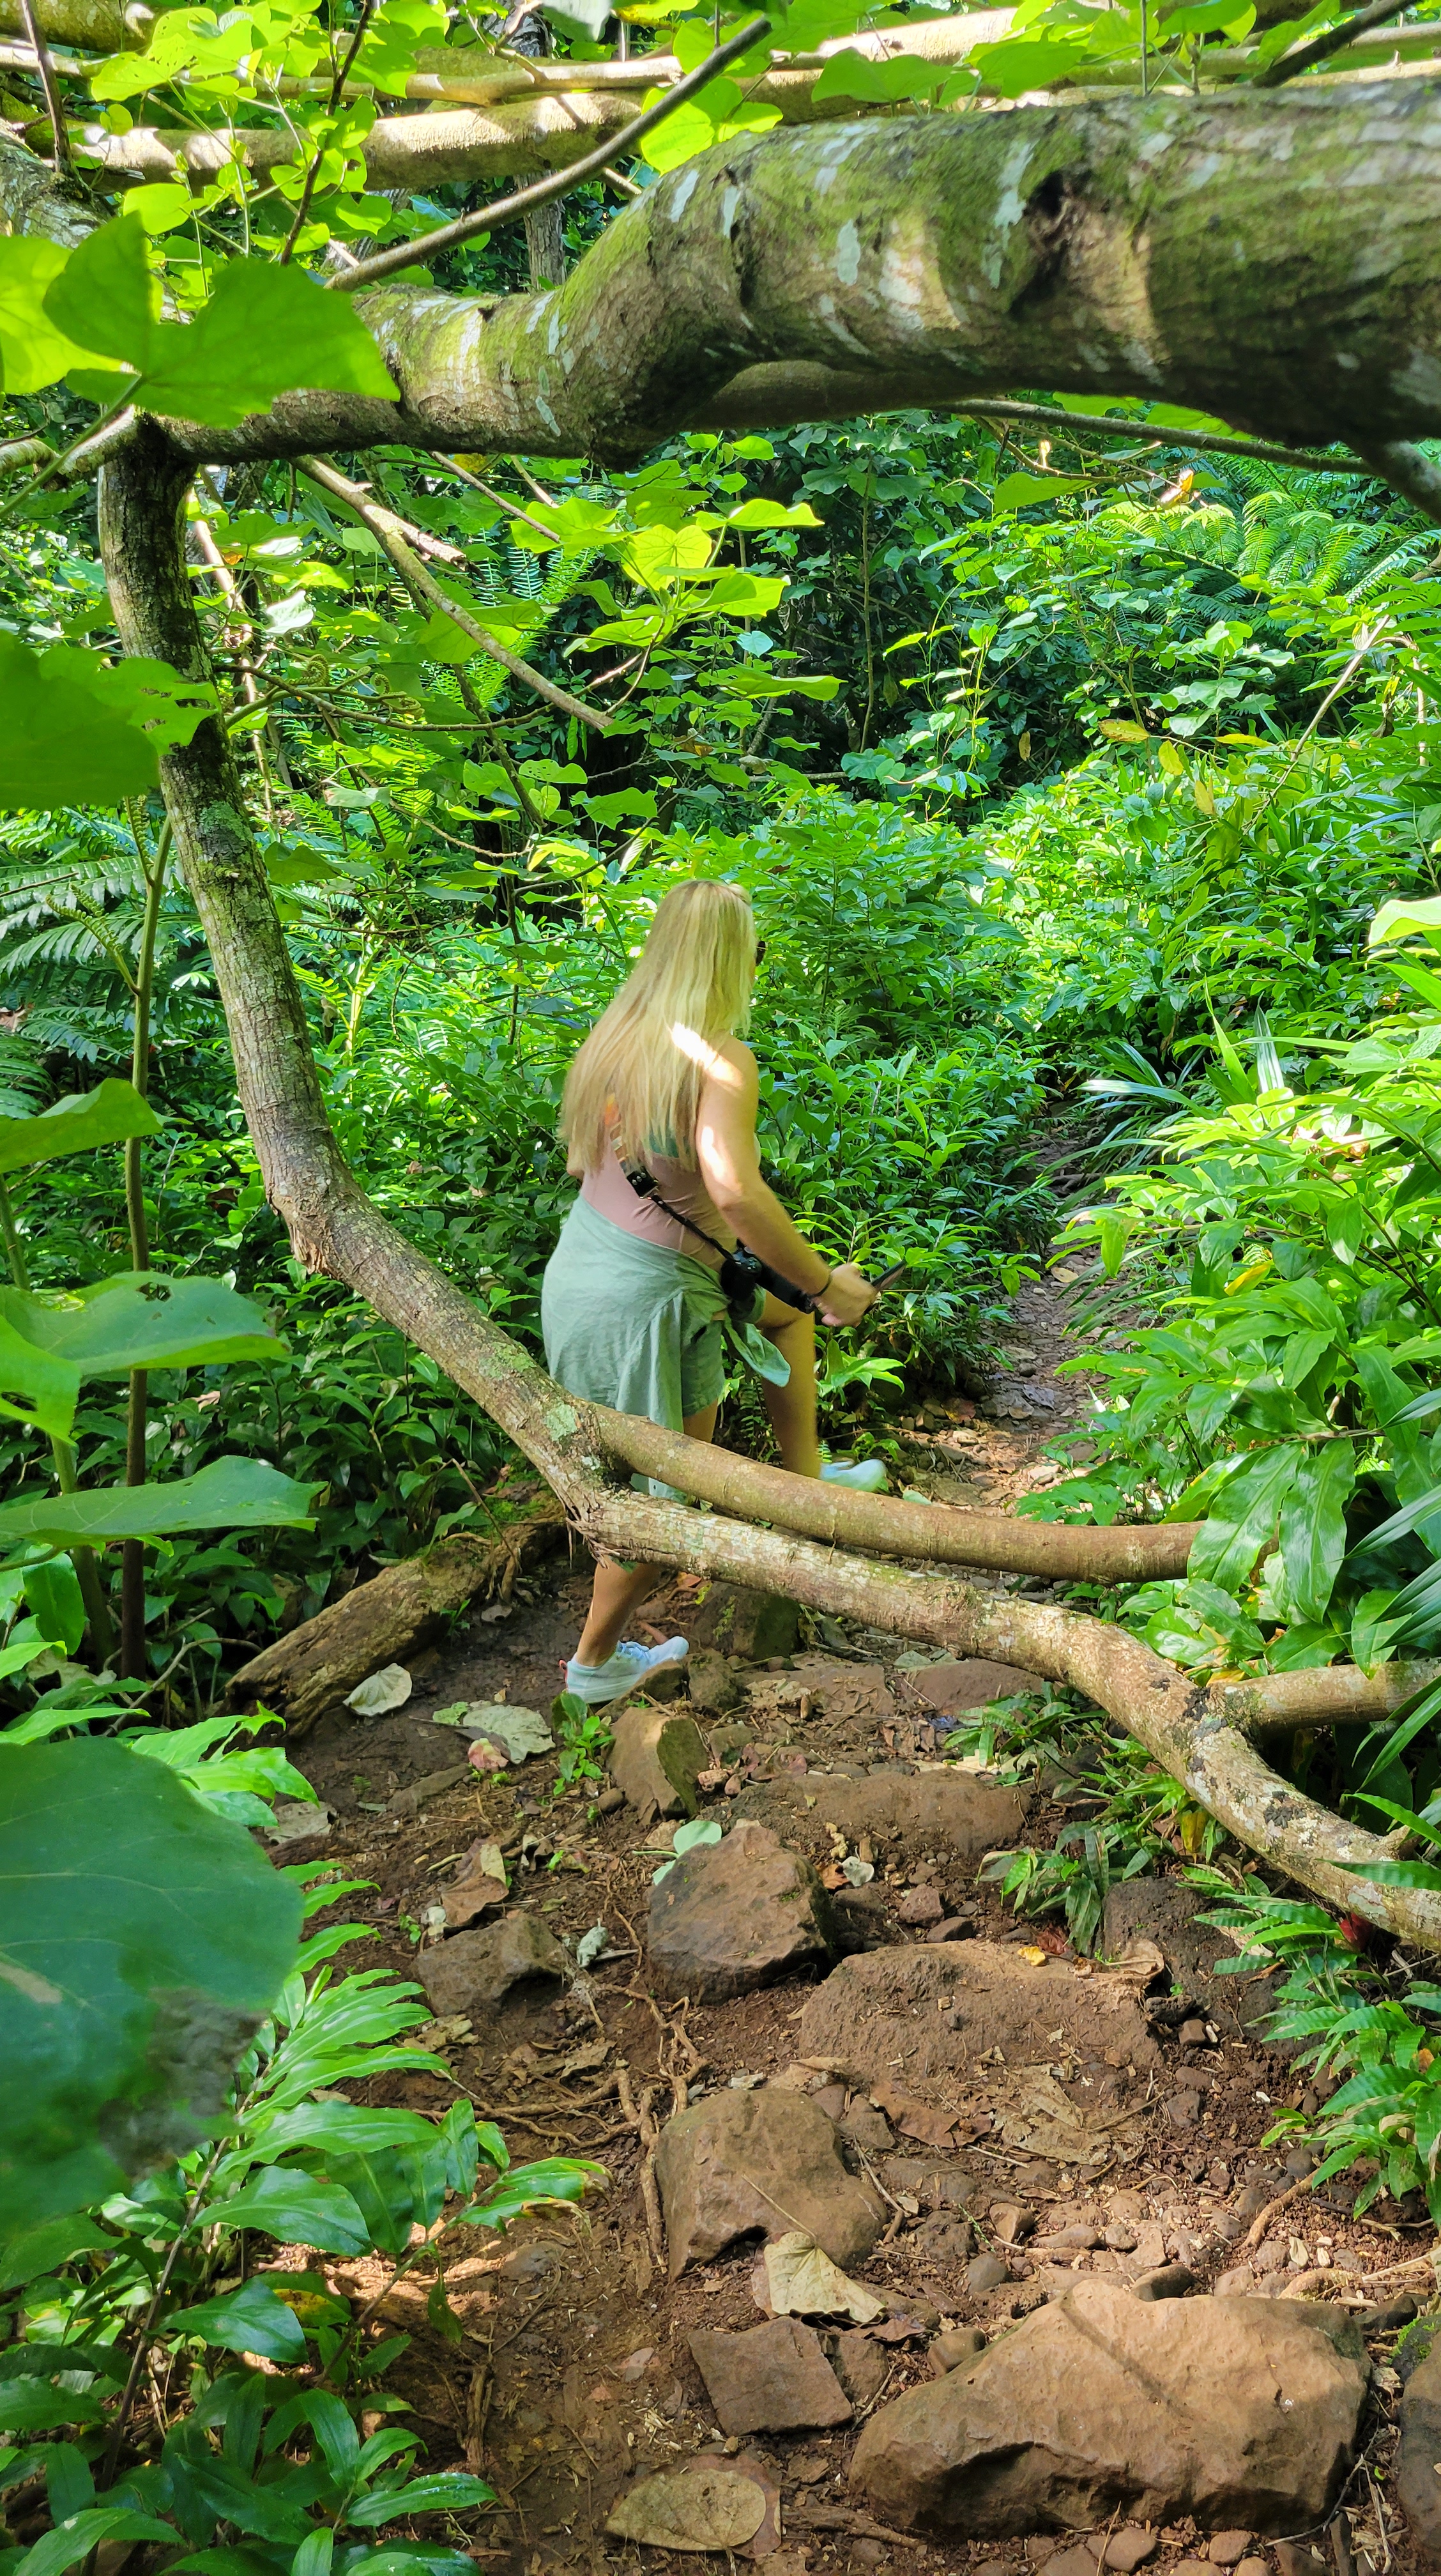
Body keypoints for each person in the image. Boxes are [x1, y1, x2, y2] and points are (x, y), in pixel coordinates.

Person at [542, 877, 883, 1706]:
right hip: (650, 1304)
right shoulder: (722, 1059)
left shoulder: (614, 1041)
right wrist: (826, 1284)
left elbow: (598, 1169)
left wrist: (796, 1296)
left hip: (590, 1275)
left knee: (786, 1321)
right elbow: (735, 1192)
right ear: (732, 959)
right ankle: (592, 1665)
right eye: (755, 950)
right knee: (663, 1502)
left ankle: (804, 1488)